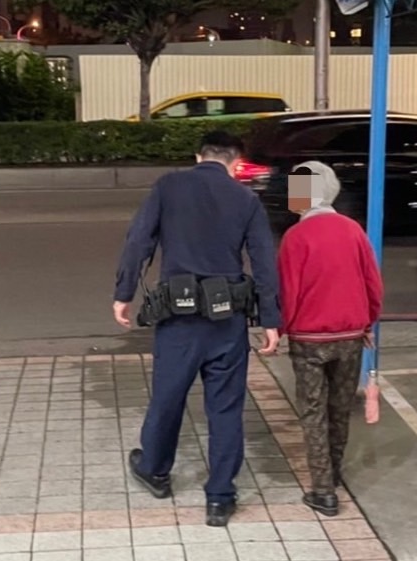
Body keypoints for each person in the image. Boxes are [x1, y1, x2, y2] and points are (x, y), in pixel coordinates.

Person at [111, 131, 281, 527]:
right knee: (225, 407)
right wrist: (271, 320)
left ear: (198, 156)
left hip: (179, 319)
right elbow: (264, 262)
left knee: (168, 396)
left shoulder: (168, 187)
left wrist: (124, 293)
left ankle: (154, 469)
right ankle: (220, 497)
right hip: (228, 321)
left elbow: (139, 241)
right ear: (236, 163)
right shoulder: (246, 199)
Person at [277, 161, 383, 517]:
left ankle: (322, 490)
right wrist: (367, 323)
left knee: (313, 411)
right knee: (339, 408)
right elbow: (372, 283)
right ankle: (334, 473)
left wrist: (279, 329)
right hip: (350, 335)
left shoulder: (295, 237)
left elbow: (288, 292)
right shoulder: (353, 230)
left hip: (309, 338)